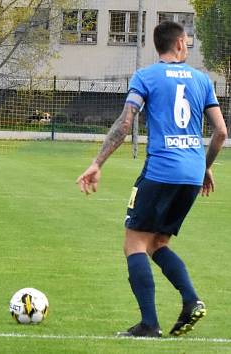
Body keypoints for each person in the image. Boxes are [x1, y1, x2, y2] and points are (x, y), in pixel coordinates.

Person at [76, 21, 227, 338]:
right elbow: (221, 132)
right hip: (190, 174)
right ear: (181, 44)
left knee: (134, 243)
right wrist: (204, 167)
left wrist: (97, 162)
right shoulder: (202, 80)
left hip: (161, 170)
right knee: (158, 243)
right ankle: (190, 300)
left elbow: (125, 121)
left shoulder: (146, 76)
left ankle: (149, 324)